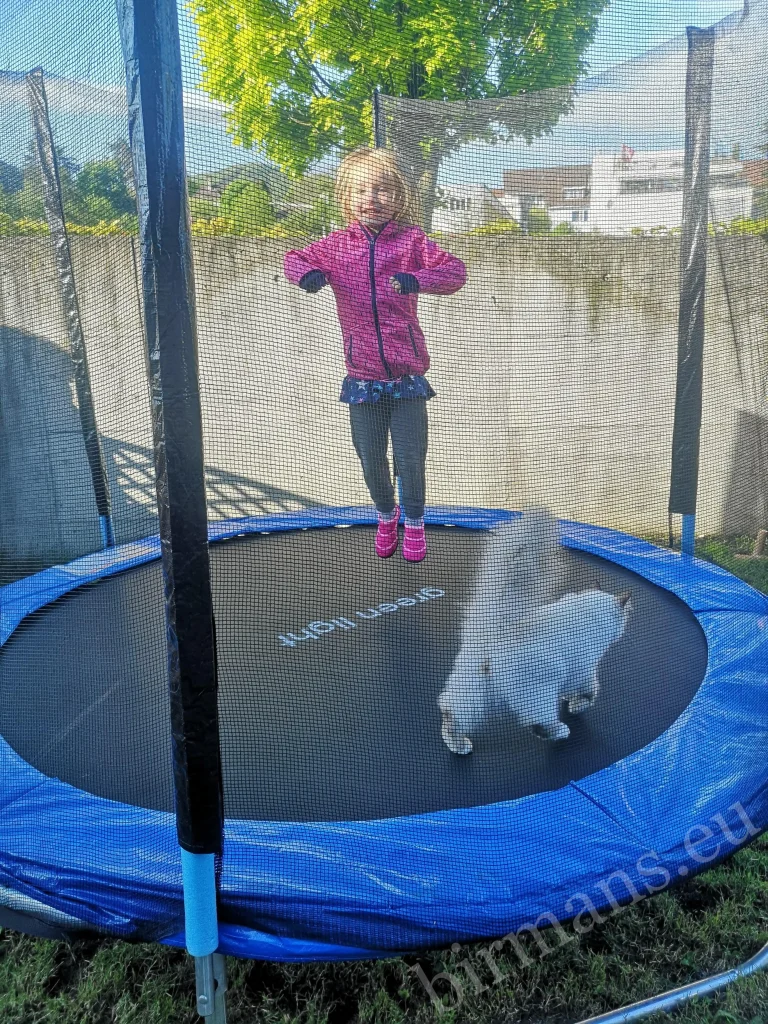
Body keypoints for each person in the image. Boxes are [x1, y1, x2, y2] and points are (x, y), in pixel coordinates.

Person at [284, 147, 466, 562]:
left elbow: (455, 271)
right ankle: (387, 514)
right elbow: (293, 257)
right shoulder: (336, 246)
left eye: (382, 189)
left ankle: (415, 523)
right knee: (370, 460)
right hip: (362, 377)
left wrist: (415, 278)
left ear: (398, 197)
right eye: (362, 189)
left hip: (406, 378)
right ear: (347, 198)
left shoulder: (411, 241)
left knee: (410, 458)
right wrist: (308, 275)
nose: (372, 197)